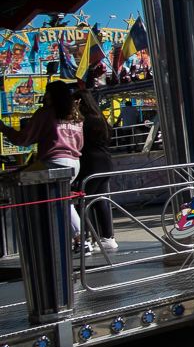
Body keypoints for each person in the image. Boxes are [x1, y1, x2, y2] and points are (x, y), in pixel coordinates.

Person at [0, 80, 86, 248]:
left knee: (55, 200)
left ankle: (78, 238)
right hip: (75, 162)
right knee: (62, 199)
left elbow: (24, 139)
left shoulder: (46, 113)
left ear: (51, 95)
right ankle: (76, 237)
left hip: (54, 162)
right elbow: (80, 143)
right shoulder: (76, 115)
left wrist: (4, 129)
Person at [76, 90, 117, 252]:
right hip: (105, 162)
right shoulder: (100, 118)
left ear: (80, 102)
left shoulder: (85, 121)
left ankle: (83, 238)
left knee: (82, 202)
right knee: (100, 201)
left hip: (91, 164)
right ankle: (107, 237)